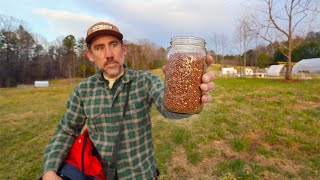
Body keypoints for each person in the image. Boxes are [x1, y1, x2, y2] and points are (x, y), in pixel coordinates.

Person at [42, 21, 215, 180]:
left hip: (142, 174)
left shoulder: (145, 81)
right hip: (98, 175)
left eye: (113, 45)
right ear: (90, 55)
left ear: (124, 49)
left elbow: (167, 106)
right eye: (99, 48)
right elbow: (67, 130)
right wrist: (50, 170)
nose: (109, 54)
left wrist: (187, 93)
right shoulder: (83, 91)